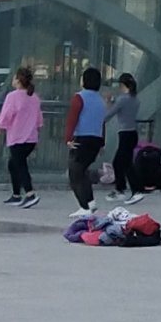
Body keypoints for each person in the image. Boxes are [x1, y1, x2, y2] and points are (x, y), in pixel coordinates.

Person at [0, 64, 43, 209]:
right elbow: (39, 120)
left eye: (14, 78)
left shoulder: (12, 97)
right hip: (31, 138)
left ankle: (30, 193)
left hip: (17, 138)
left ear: (18, 80)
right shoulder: (34, 97)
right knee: (14, 163)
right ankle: (16, 195)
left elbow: (4, 117)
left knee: (20, 164)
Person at [64, 66, 109, 212]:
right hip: (96, 139)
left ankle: (84, 206)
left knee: (74, 174)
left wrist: (68, 138)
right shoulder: (101, 101)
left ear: (84, 81)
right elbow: (102, 122)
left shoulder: (79, 97)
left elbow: (72, 119)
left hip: (81, 138)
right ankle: (90, 202)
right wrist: (102, 142)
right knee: (83, 171)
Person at [103, 73, 143, 204]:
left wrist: (108, 102)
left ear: (122, 85)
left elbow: (109, 114)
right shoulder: (135, 99)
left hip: (125, 133)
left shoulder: (122, 99)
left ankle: (135, 190)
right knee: (122, 162)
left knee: (124, 163)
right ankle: (121, 189)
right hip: (132, 133)